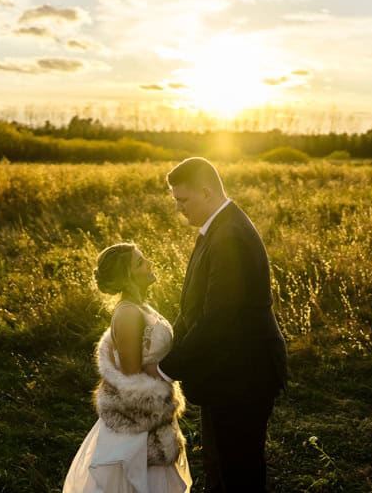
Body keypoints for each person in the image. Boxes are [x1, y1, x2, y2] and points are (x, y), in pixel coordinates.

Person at [148, 157, 288, 492]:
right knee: (218, 466)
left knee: (237, 471)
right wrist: (168, 347)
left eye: (183, 200)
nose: (179, 209)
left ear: (207, 193)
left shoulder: (229, 236)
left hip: (244, 376)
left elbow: (218, 317)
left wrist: (167, 368)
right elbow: (195, 307)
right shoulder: (219, 227)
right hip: (226, 372)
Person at [63, 243, 192, 493]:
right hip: (140, 417)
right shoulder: (128, 314)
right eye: (141, 262)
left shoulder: (140, 307)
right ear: (128, 275)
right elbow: (132, 377)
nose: (150, 264)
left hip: (156, 408)